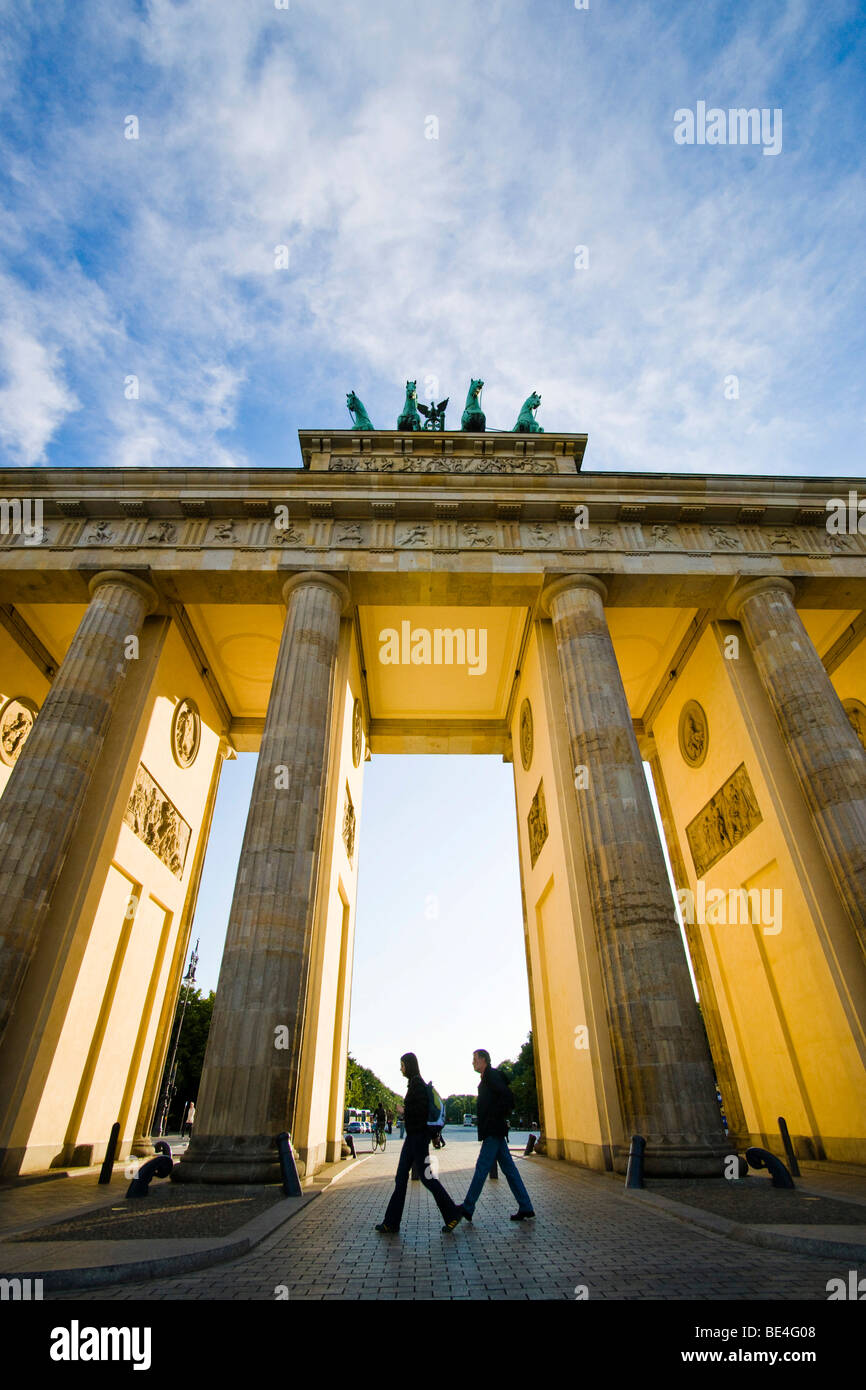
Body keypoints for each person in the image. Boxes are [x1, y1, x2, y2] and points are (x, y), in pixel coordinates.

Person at [376, 1053, 463, 1234]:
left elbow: (419, 1112)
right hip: (413, 1139)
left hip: (417, 1139)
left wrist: (403, 1111)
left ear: (409, 1065)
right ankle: (391, 1222)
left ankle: (452, 1213)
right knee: (403, 1178)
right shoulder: (415, 1083)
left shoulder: (416, 1085)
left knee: (425, 1178)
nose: (401, 1069)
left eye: (402, 1065)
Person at [457, 1049, 535, 1223]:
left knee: (482, 1168)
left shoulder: (491, 1076)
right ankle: (526, 1206)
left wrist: (495, 1116)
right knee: (509, 1169)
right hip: (496, 1130)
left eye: (475, 1059)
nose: (472, 1062)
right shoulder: (488, 1077)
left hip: (493, 1130)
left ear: (483, 1060)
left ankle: (468, 1207)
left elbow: (506, 1096)